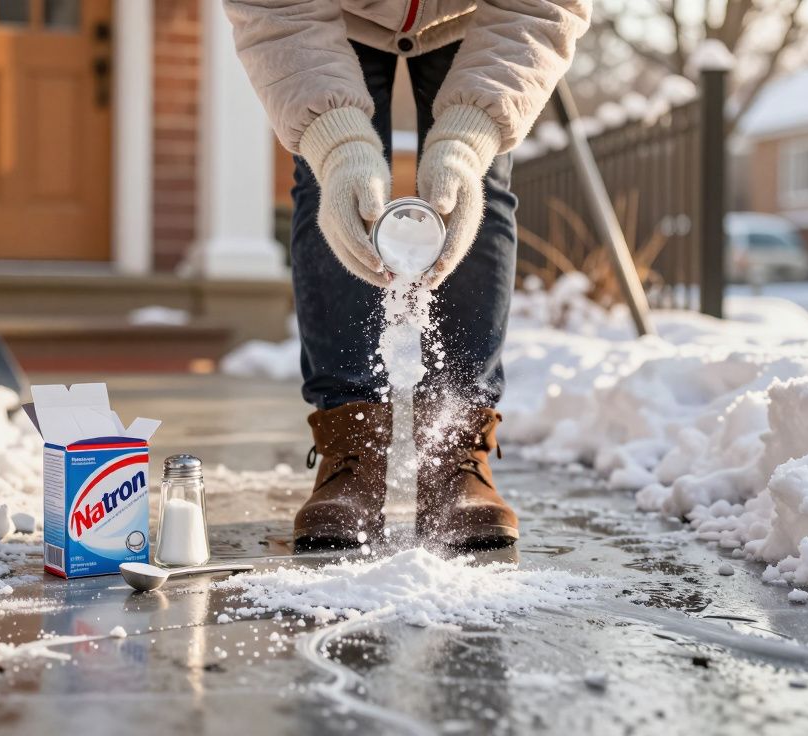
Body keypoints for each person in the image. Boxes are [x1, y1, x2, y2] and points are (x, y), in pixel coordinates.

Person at [224, 0, 592, 550]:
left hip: (477, 14)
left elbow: (540, 7)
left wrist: (468, 142)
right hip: (326, 13)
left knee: (477, 183)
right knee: (329, 178)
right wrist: (338, 144)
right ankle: (351, 441)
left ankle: (456, 443)